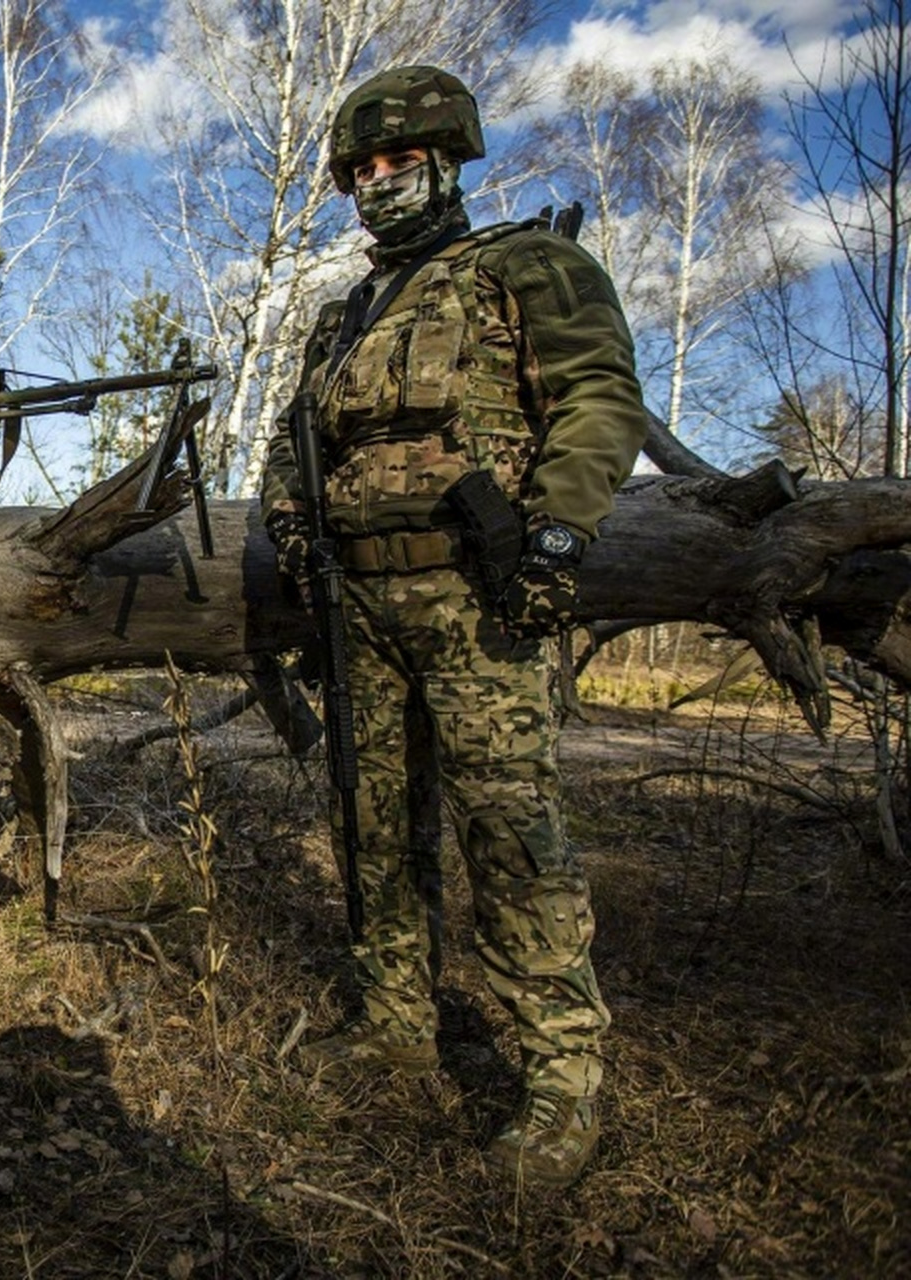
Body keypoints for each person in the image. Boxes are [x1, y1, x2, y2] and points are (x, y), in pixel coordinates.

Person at [261, 66, 648, 1188]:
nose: (383, 184)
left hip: (479, 598)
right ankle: (396, 1020)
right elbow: (298, 444)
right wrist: (292, 524)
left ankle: (561, 1073)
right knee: (375, 819)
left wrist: (560, 537)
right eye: (365, 170)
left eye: (401, 163)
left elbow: (597, 399)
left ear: (449, 161)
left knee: (510, 835)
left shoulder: (526, 265)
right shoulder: (344, 313)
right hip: (359, 604)